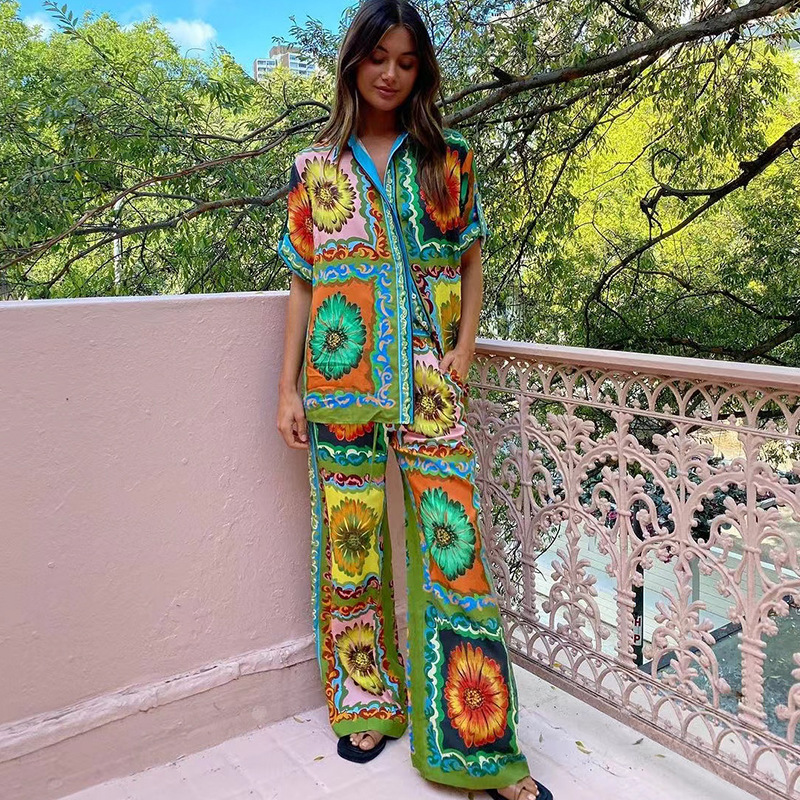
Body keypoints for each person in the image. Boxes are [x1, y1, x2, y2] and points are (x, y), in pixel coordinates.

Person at [276, 2, 553, 799]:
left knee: (453, 557)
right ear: (354, 63)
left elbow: (471, 258)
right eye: (378, 59)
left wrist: (464, 349)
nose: (390, 74)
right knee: (351, 549)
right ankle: (366, 703)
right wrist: (285, 387)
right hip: (340, 383)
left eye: (405, 61)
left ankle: (482, 748)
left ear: (420, 70)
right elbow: (303, 282)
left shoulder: (447, 158)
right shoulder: (314, 166)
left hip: (431, 385)